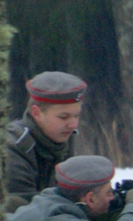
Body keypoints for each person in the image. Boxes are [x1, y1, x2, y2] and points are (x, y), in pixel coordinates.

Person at [5, 71, 87, 212]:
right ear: (37, 113)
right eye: (63, 117)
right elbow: (24, 210)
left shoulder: (62, 138)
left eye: (76, 115)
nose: (73, 125)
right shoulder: (14, 147)